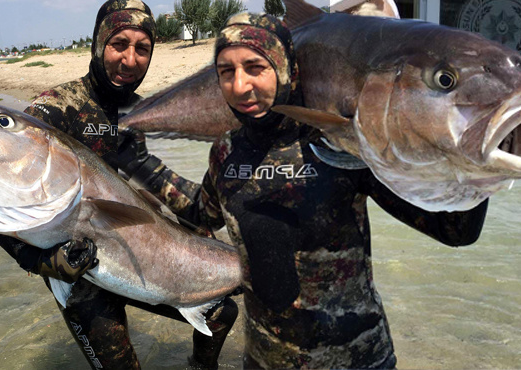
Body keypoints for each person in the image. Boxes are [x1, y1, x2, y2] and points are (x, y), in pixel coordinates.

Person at [121, 13, 489, 368]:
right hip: (264, 361)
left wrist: (478, 159)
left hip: (359, 362)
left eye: (255, 67)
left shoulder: (337, 144)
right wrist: (140, 164)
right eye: (226, 72)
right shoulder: (227, 151)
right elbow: (203, 213)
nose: (240, 86)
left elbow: (454, 230)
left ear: (286, 69)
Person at [0, 1, 238, 369]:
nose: (130, 59)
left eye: (143, 48)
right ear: (98, 42)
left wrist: (205, 225)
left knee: (221, 313)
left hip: (128, 250)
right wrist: (39, 260)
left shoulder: (134, 112)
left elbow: (145, 184)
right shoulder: (52, 111)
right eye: (119, 43)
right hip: (76, 269)